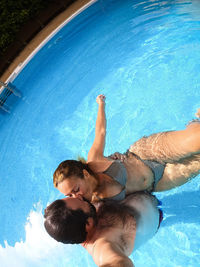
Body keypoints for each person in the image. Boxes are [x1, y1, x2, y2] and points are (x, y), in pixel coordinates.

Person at [53, 94, 200, 203]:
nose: (75, 197)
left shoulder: (94, 161)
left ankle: (195, 123)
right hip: (158, 182)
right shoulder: (93, 204)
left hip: (145, 154)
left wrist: (101, 104)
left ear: (85, 174)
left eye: (75, 190)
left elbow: (101, 131)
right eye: (69, 195)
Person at [44, 191, 163, 267]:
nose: (79, 197)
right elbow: (115, 262)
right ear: (88, 224)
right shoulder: (102, 246)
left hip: (143, 201)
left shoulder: (74, 225)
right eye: (79, 201)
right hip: (154, 218)